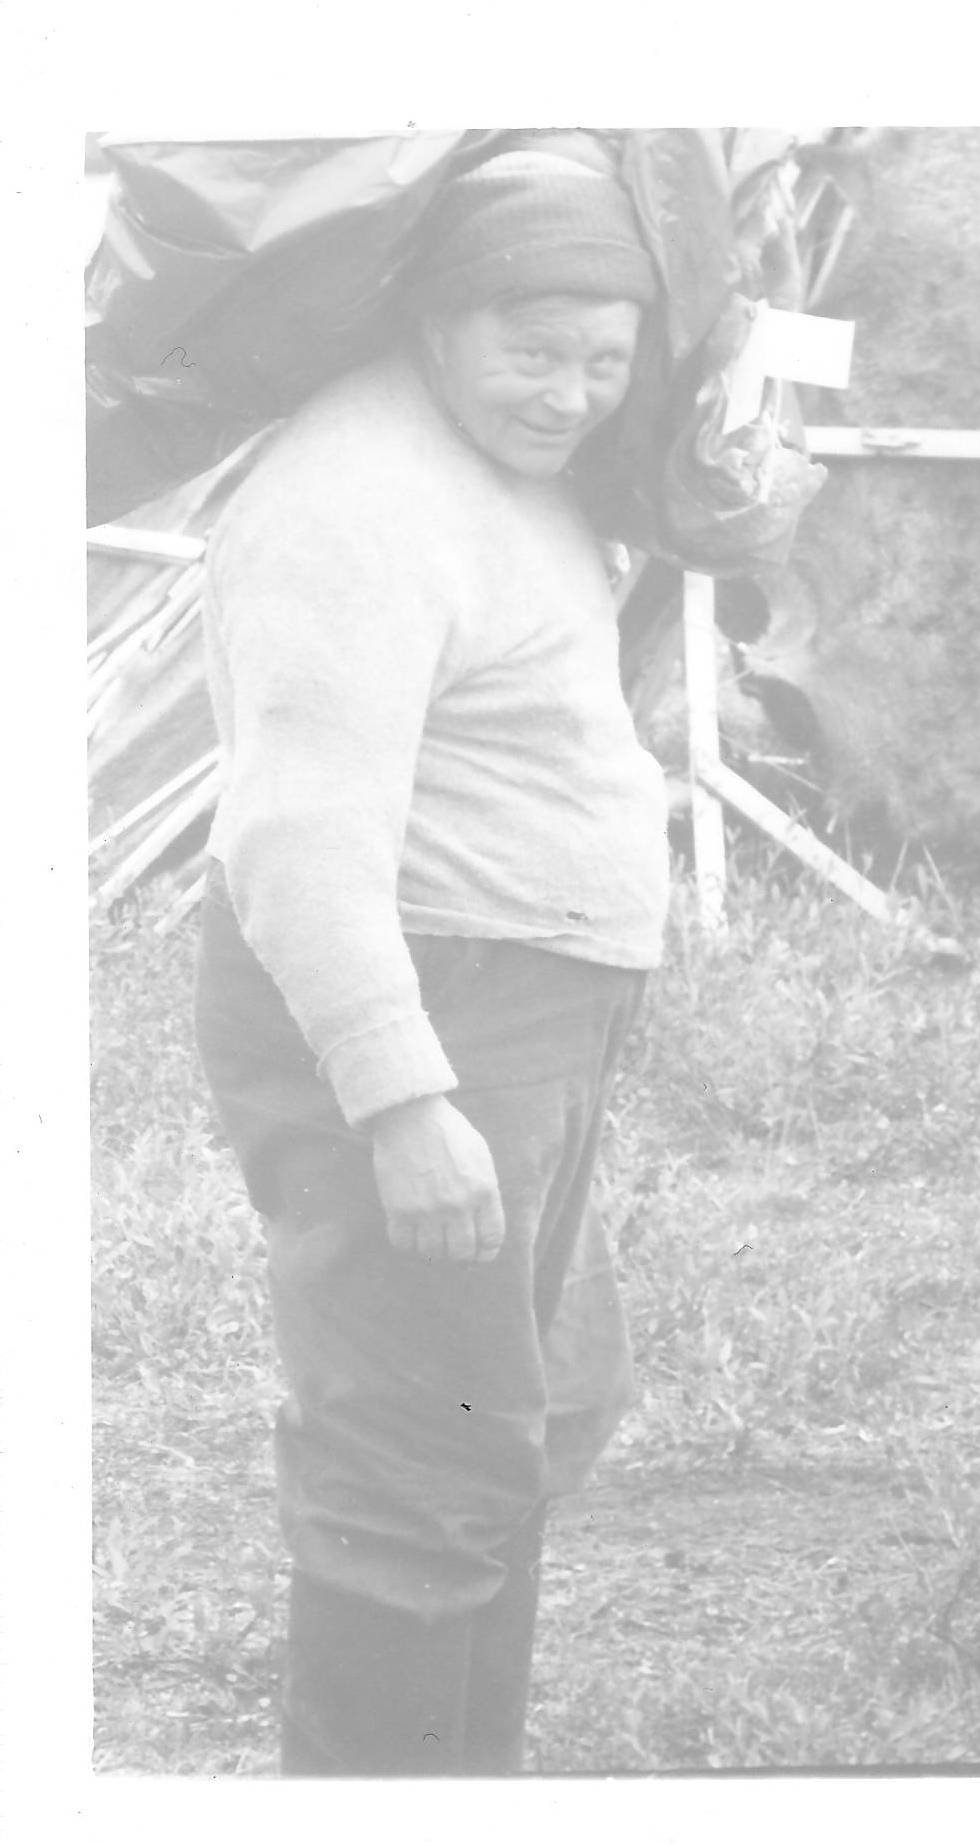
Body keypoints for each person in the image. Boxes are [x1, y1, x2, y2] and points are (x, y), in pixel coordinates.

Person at [192, 142, 670, 1776]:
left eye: (606, 361)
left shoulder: (512, 464)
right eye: (535, 351)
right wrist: (401, 1099)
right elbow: (296, 837)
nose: (570, 393)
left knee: (497, 1438)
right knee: (415, 1464)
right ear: (442, 319)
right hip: (414, 1000)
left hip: (517, 996)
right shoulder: (353, 498)